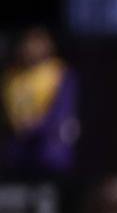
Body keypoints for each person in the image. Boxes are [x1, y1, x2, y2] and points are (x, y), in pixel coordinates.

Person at [1, 27, 79, 177]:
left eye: (36, 42)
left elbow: (61, 114)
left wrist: (35, 125)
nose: (30, 48)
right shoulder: (10, 76)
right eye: (27, 42)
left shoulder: (59, 73)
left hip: (49, 152)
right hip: (17, 153)